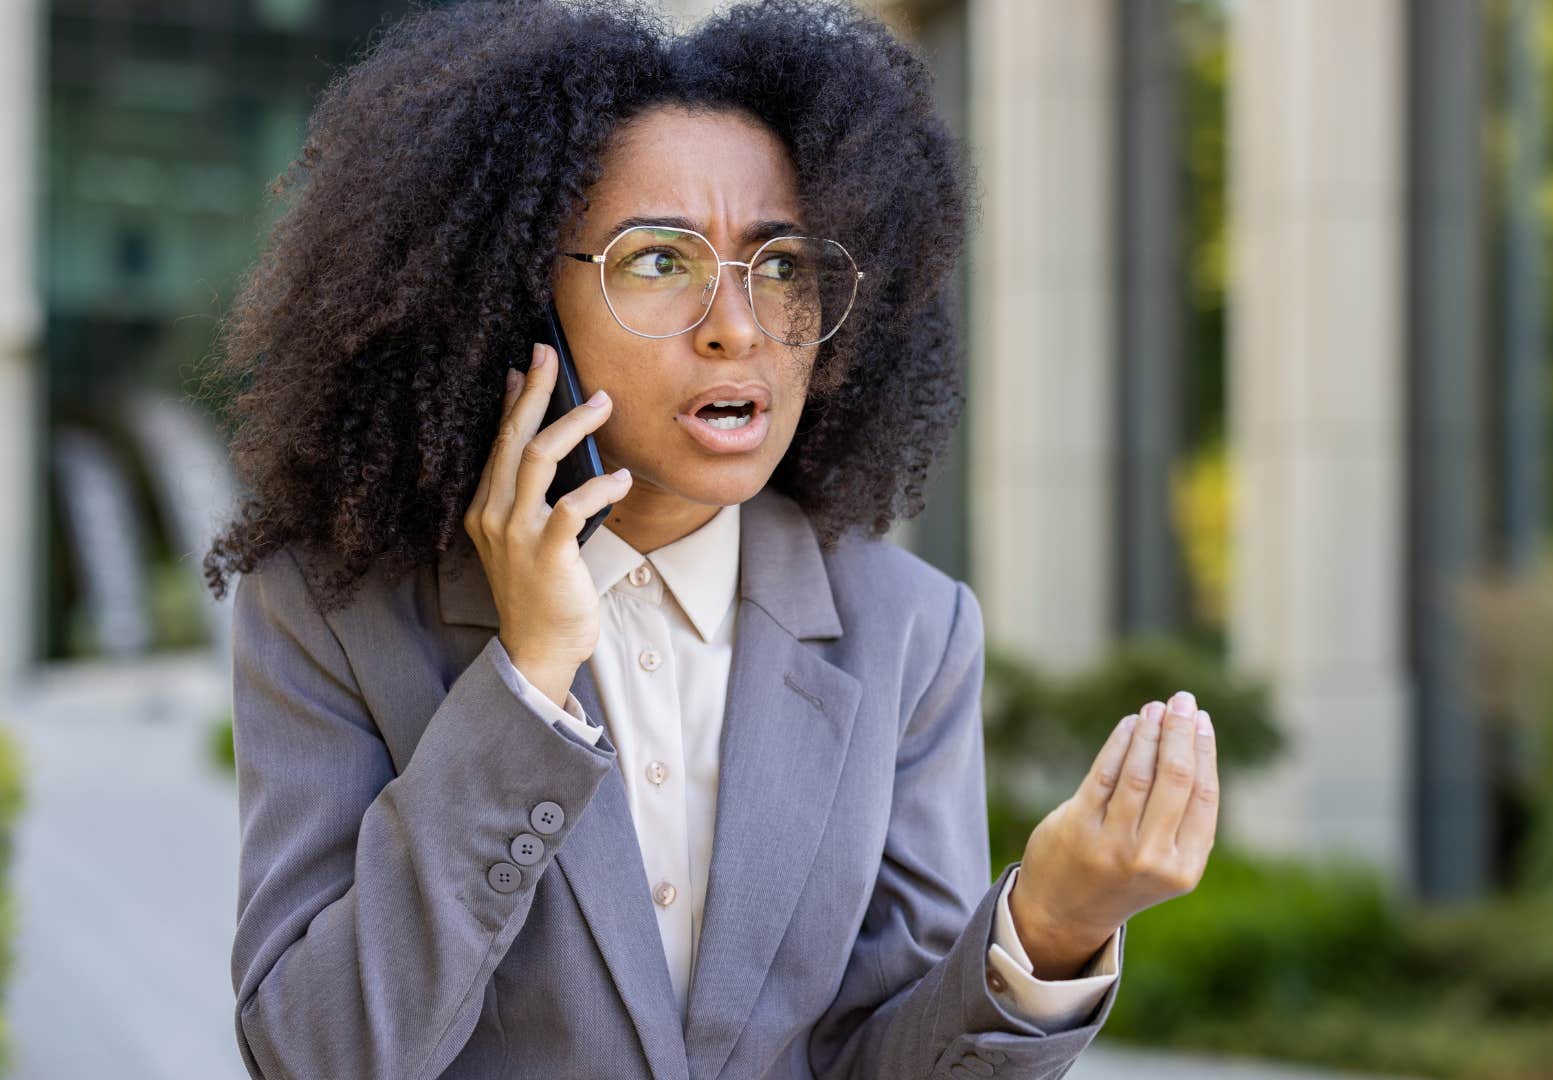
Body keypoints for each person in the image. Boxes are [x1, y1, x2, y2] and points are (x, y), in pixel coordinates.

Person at [200, 2, 1220, 1077]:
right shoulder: (329, 611)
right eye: (658, 261)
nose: (736, 323)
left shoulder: (908, 632)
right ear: (517, 302)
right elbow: (311, 1053)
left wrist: (1051, 924)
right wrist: (528, 686)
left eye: (780, 265)